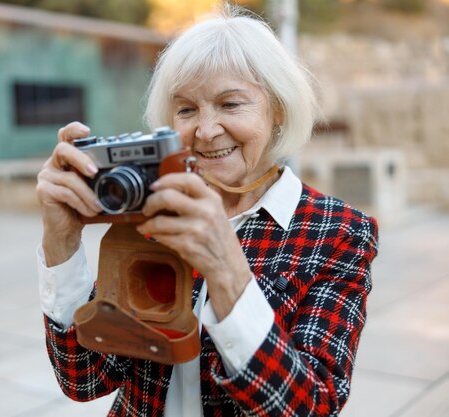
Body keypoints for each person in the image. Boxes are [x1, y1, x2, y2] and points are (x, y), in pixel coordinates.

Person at [36, 5, 378, 417]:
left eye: (230, 104)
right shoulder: (154, 213)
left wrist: (227, 270)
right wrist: (61, 242)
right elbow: (86, 378)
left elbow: (313, 407)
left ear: (278, 111)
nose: (205, 130)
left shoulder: (338, 232)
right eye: (186, 109)